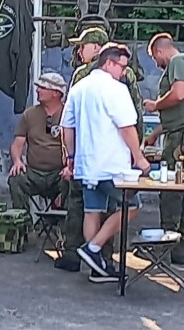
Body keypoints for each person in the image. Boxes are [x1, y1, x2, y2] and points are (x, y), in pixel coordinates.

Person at [56, 27, 144, 272]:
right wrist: (139, 156)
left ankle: (96, 267)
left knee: (91, 211)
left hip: (86, 165)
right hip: (112, 165)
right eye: (122, 67)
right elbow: (128, 126)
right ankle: (93, 249)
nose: (124, 72)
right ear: (108, 64)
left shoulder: (79, 87)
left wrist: (71, 158)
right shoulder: (116, 88)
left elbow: (67, 127)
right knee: (132, 207)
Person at [142, 32, 184, 265]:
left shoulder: (178, 62)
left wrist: (154, 105)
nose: (156, 64)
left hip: (183, 137)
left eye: (154, 58)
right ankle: (183, 246)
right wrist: (154, 136)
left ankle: (167, 242)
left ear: (159, 51)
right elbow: (181, 110)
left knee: (171, 187)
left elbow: (178, 95)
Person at [7, 72, 69, 213]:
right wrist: (17, 161)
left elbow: (78, 144)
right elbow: (17, 144)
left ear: (56, 93)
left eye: (42, 87)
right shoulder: (29, 114)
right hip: (34, 174)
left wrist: (70, 167)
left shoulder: (69, 113)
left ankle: (61, 227)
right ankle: (24, 225)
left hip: (59, 174)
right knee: (16, 180)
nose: (37, 90)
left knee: (72, 182)